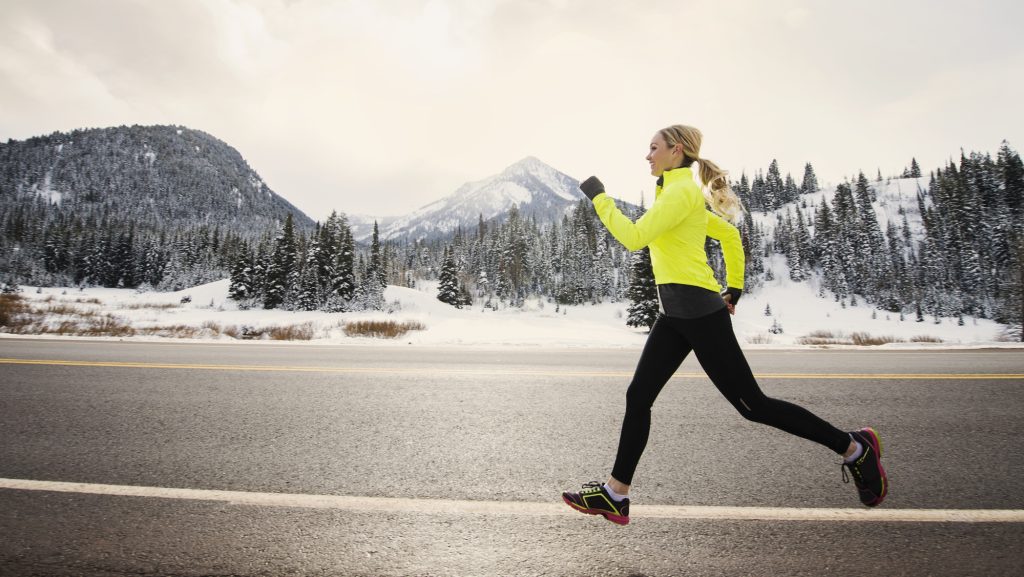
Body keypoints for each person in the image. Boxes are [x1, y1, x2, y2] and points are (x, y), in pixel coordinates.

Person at [561, 125, 887, 526]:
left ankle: (853, 448)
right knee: (638, 396)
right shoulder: (674, 192)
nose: (647, 155)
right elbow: (729, 234)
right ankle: (616, 494)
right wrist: (734, 286)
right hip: (675, 316)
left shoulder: (680, 192)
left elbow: (633, 237)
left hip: (699, 315)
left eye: (653, 148)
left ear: (675, 151)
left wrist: (599, 197)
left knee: (753, 406)